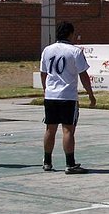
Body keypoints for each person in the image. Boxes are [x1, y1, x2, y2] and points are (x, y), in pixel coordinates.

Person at [40, 21, 96, 174]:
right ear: (70, 34)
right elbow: (83, 74)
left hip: (51, 96)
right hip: (67, 96)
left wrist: (46, 89)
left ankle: (47, 161)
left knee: (50, 129)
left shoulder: (47, 50)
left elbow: (43, 73)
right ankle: (70, 164)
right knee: (68, 130)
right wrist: (90, 94)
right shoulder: (74, 51)